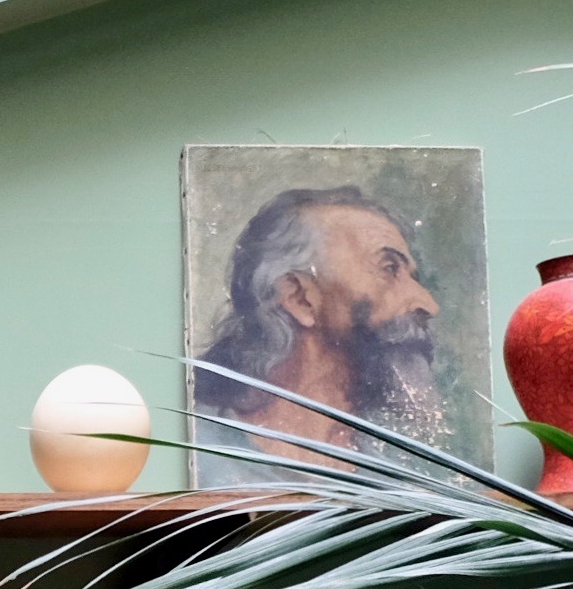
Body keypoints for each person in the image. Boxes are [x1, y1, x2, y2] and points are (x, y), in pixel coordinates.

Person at [191, 184, 445, 466]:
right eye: (388, 268)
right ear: (299, 298)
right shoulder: (200, 448)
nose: (429, 304)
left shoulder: (399, 465)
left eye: (411, 277)